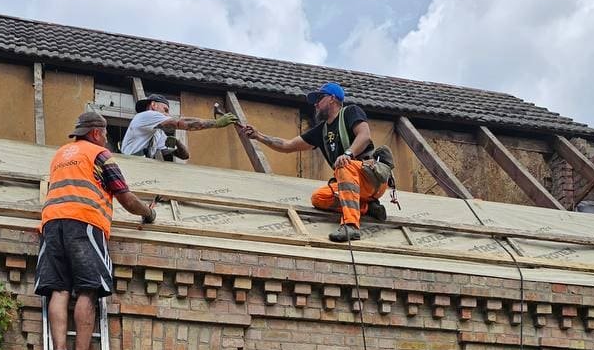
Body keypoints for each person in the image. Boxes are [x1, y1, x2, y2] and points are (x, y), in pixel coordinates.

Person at [36, 109, 156, 350]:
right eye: (104, 134)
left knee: (59, 289)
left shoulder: (60, 155)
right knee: (89, 288)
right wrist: (148, 212)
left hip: (52, 224)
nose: (106, 139)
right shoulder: (99, 155)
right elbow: (125, 197)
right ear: (95, 133)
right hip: (84, 223)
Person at [237, 81, 392, 242]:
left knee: (343, 165)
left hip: (372, 178)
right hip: (356, 187)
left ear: (332, 99)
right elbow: (287, 145)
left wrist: (348, 154)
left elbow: (364, 136)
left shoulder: (350, 112)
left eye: (319, 99)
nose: (316, 104)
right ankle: (368, 207)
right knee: (319, 198)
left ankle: (351, 225)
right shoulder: (321, 131)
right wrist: (258, 136)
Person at [120, 93, 237, 161]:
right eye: (165, 110)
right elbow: (180, 123)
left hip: (139, 168)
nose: (167, 114)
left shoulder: (157, 133)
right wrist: (216, 123)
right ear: (153, 105)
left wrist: (177, 142)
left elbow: (184, 156)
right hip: (130, 164)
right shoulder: (145, 116)